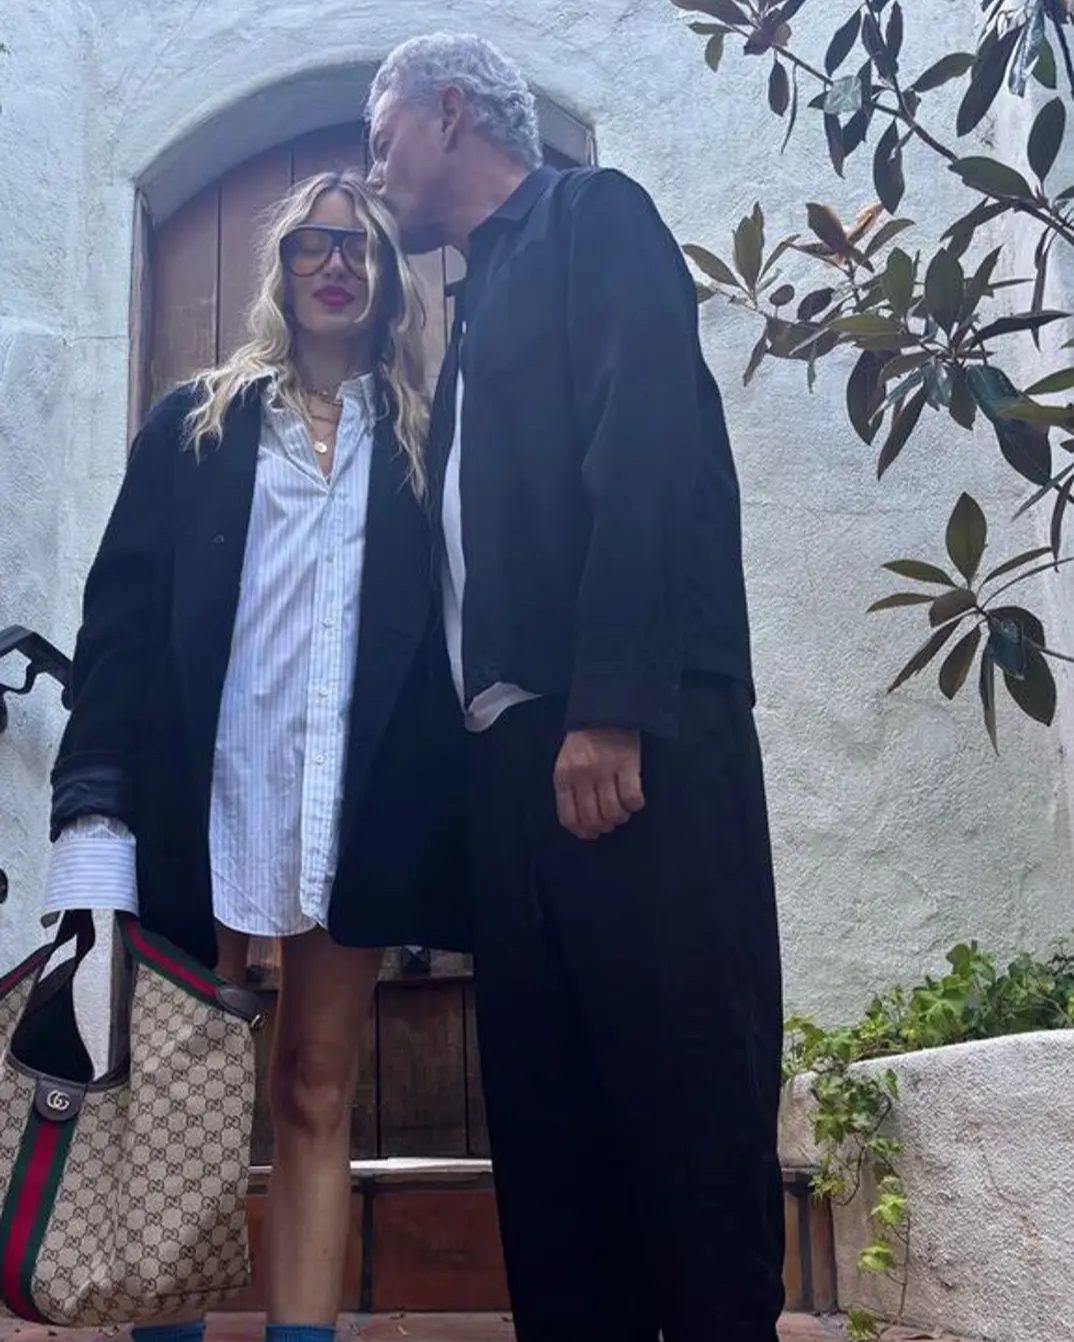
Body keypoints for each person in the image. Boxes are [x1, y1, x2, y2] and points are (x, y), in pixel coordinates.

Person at [366, 33, 785, 1342]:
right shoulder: (473, 305)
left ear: (450, 113)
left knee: (686, 1099)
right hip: (514, 774)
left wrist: (608, 705)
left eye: (382, 137)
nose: (372, 170)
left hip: (620, 735)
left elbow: (649, 448)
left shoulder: (593, 218)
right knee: (549, 1136)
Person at [41, 170, 465, 1342]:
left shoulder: (423, 442)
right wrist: (92, 806)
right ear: (281, 269)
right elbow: (120, 623)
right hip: (210, 791)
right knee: (182, 1082)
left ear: (388, 281)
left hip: (348, 806)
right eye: (312, 245)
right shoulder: (199, 423)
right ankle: (167, 1321)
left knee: (315, 1086)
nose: (336, 265)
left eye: (361, 248)